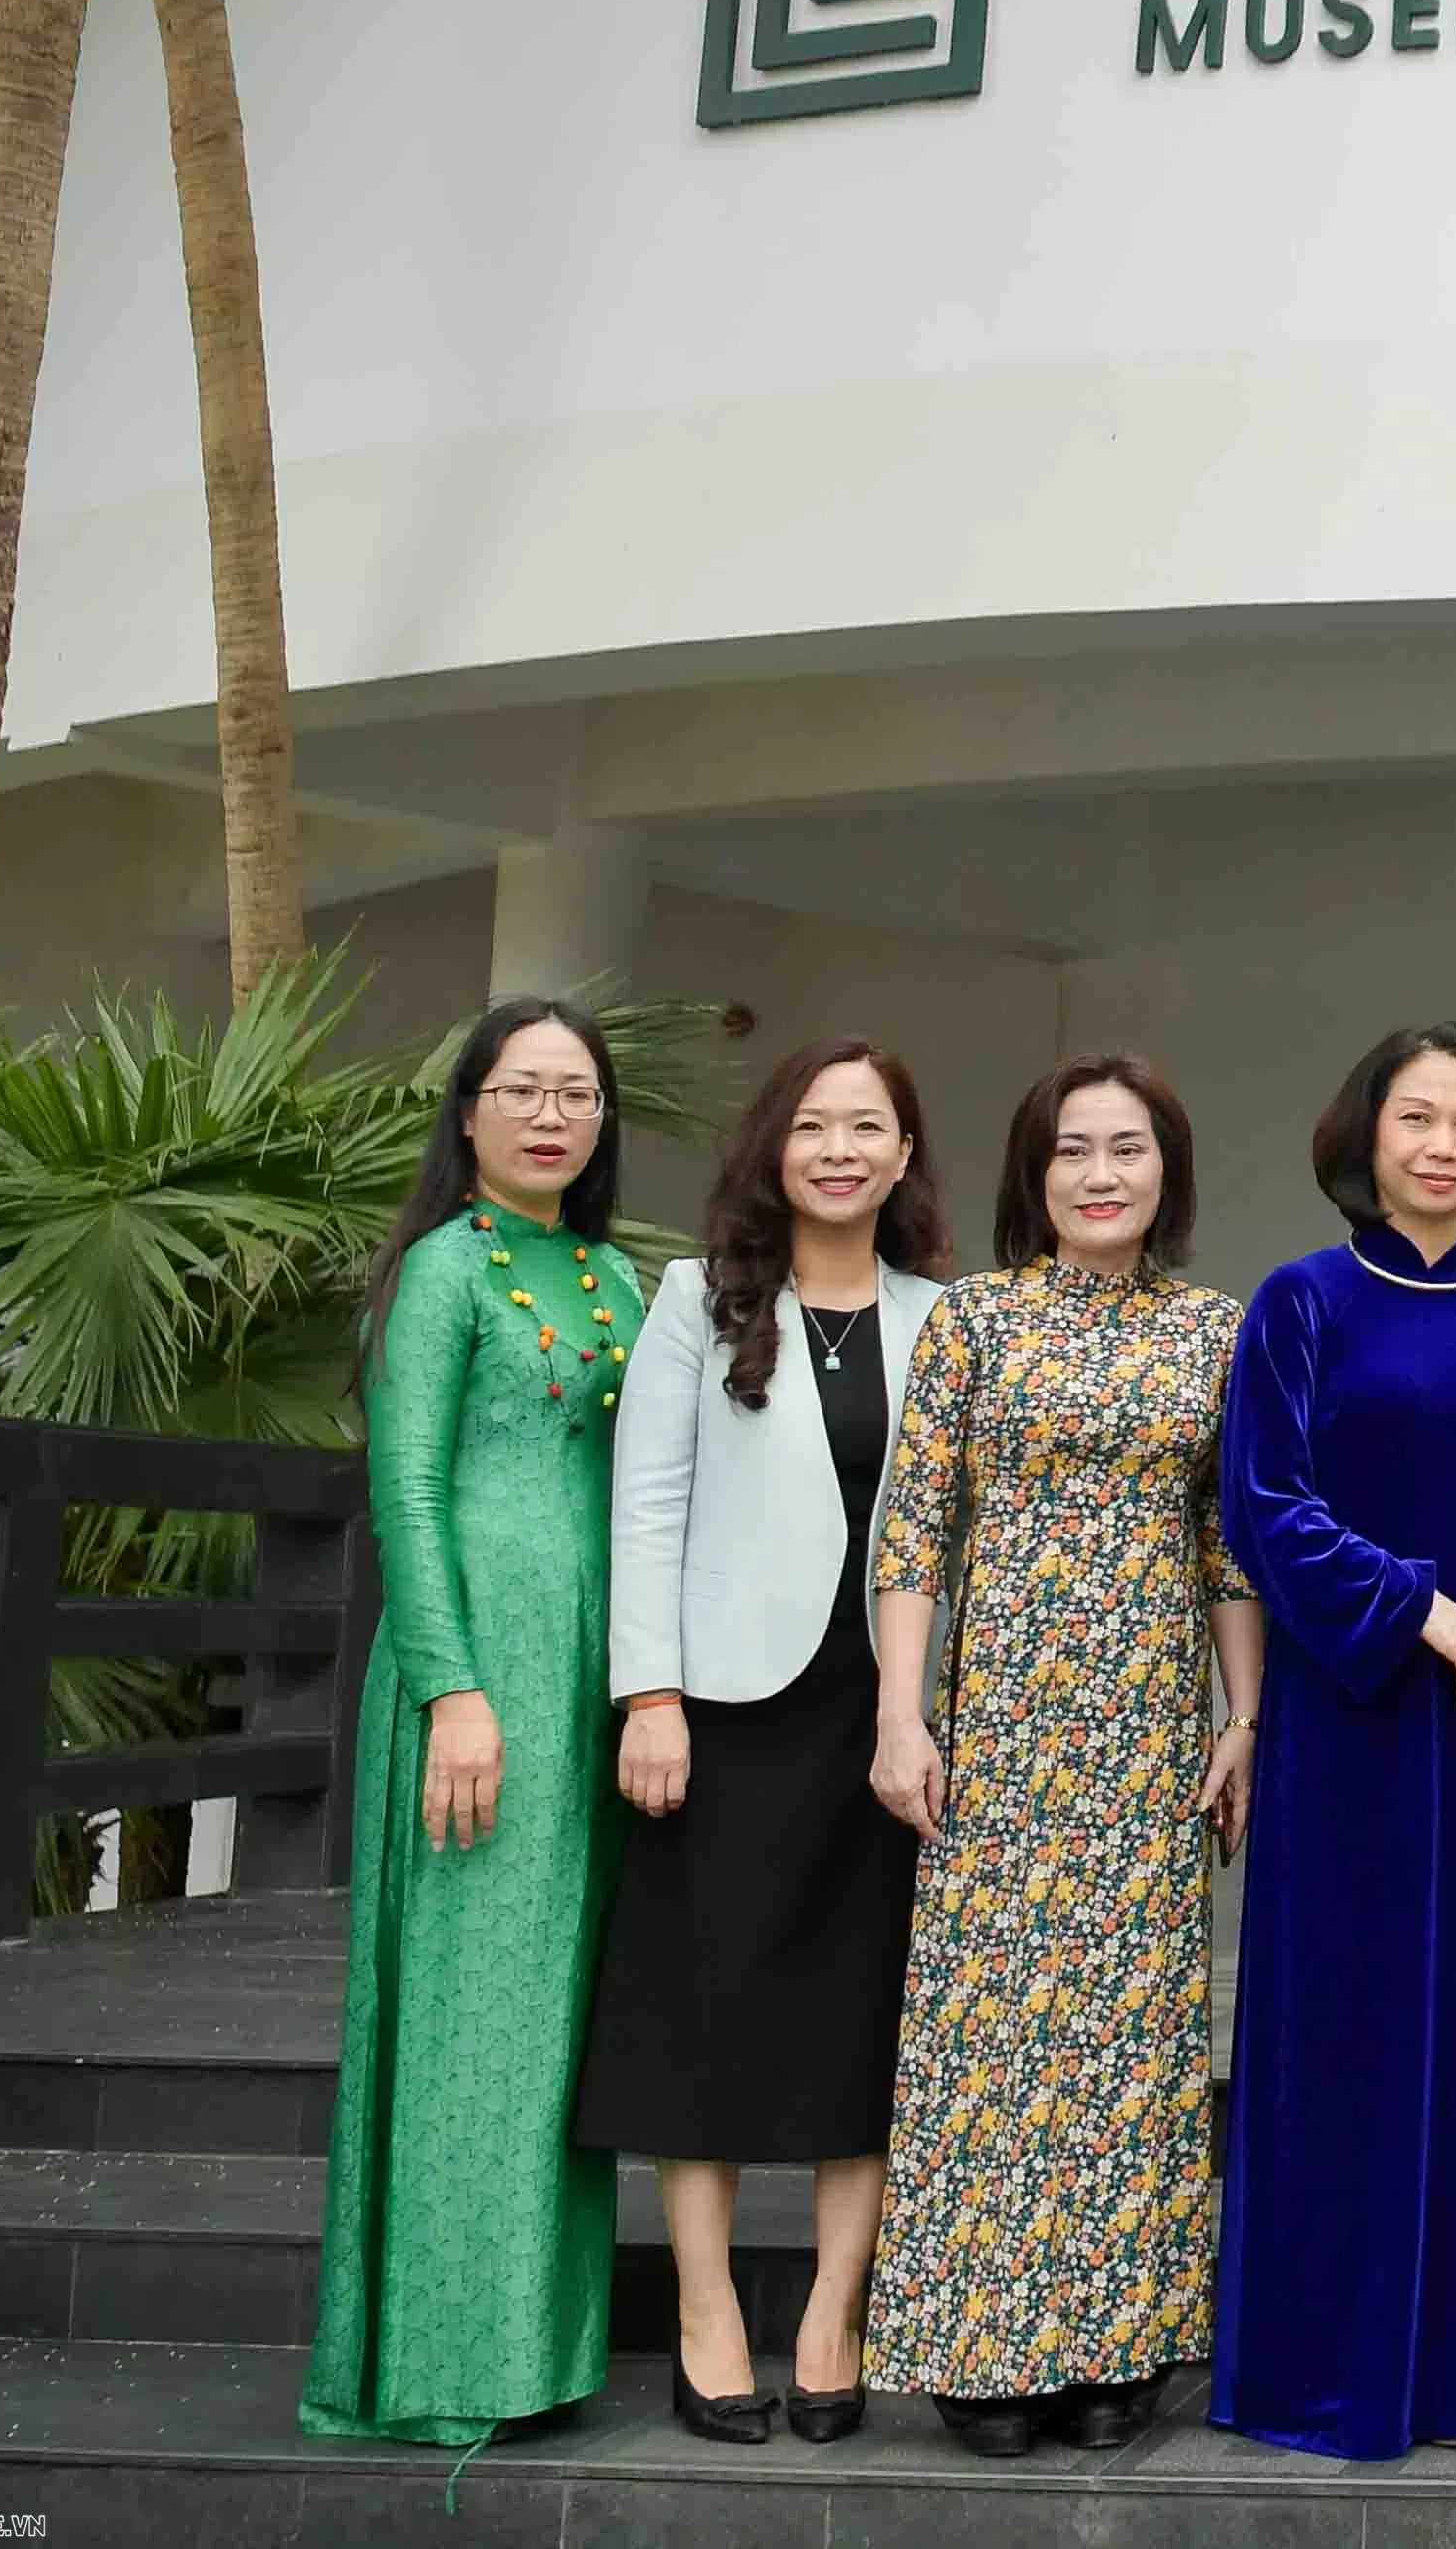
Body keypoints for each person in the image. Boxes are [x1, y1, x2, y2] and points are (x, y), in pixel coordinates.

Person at [1214, 1025, 1456, 2461]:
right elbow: (1266, 1507)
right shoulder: (1300, 1303)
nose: (1443, 1146)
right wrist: (1431, 1618)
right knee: (1341, 2022)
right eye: (1417, 1119)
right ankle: (1324, 2368)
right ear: (1365, 1136)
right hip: (1350, 1720)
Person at [862, 1053, 1261, 2460]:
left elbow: (1232, 1546)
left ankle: (1119, 2344)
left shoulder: (1217, 1331)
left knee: (1131, 2028)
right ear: (1035, 1176)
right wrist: (901, 1714)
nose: (1102, 1174)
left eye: (1129, 1150)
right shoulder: (975, 1319)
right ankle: (982, 2354)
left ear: (1169, 1173)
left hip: (1147, 1722)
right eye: (1074, 1151)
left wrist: (1243, 1717)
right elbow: (914, 1533)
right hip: (1003, 1719)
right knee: (990, 2033)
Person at [577, 1039, 949, 2445]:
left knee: (865, 2013)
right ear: (774, 1149)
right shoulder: (697, 1297)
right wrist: (649, 1693)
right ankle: (706, 2310)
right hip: (726, 1706)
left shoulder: (946, 1314)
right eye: (814, 1125)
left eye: (870, 1125)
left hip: (893, 1709)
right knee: (707, 2001)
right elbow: (647, 1503)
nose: (841, 1148)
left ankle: (833, 2314)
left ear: (906, 1154)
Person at [302, 999, 634, 2445]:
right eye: (520, 1090)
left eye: (575, 1094)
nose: (549, 1115)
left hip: (592, 1678)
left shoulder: (623, 1278)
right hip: (482, 1678)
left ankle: (539, 2351)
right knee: (466, 2016)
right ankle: (443, 2366)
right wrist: (450, 1690)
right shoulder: (441, 1272)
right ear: (470, 1114)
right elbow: (409, 1491)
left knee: (557, 2017)